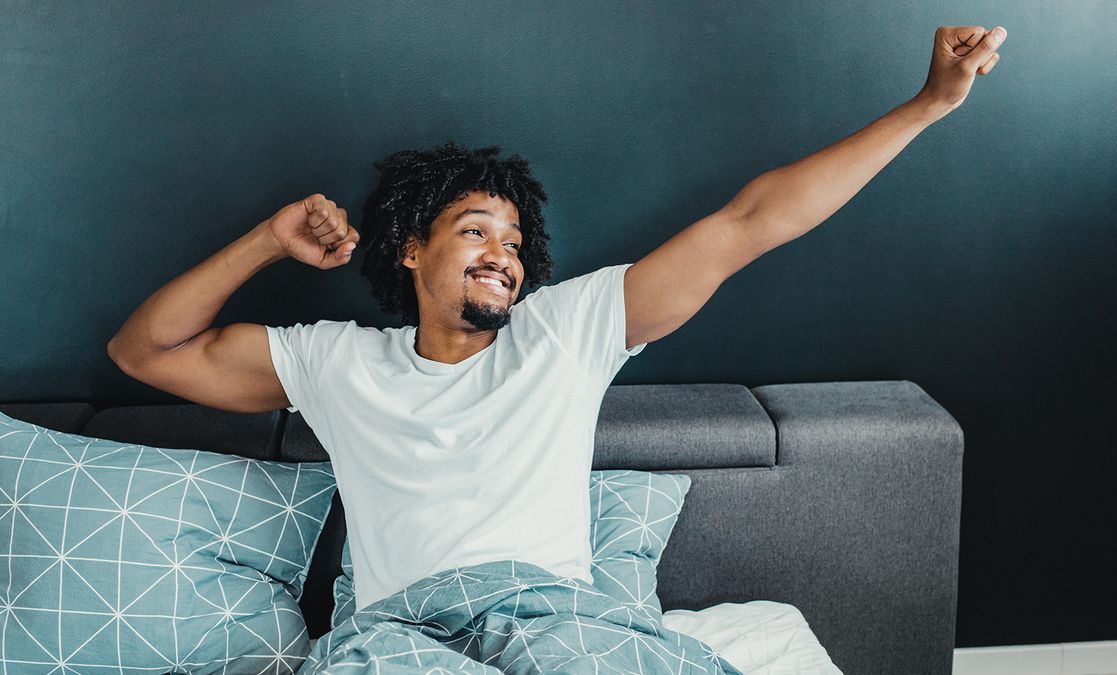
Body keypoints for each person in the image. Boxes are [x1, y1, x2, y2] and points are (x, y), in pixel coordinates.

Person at [108, 25, 1006, 614]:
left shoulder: (566, 329)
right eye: (474, 230)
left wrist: (926, 106)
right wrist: (269, 239)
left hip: (552, 631)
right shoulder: (336, 363)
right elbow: (143, 350)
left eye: (514, 239)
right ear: (410, 250)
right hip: (403, 642)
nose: (504, 252)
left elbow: (748, 225)